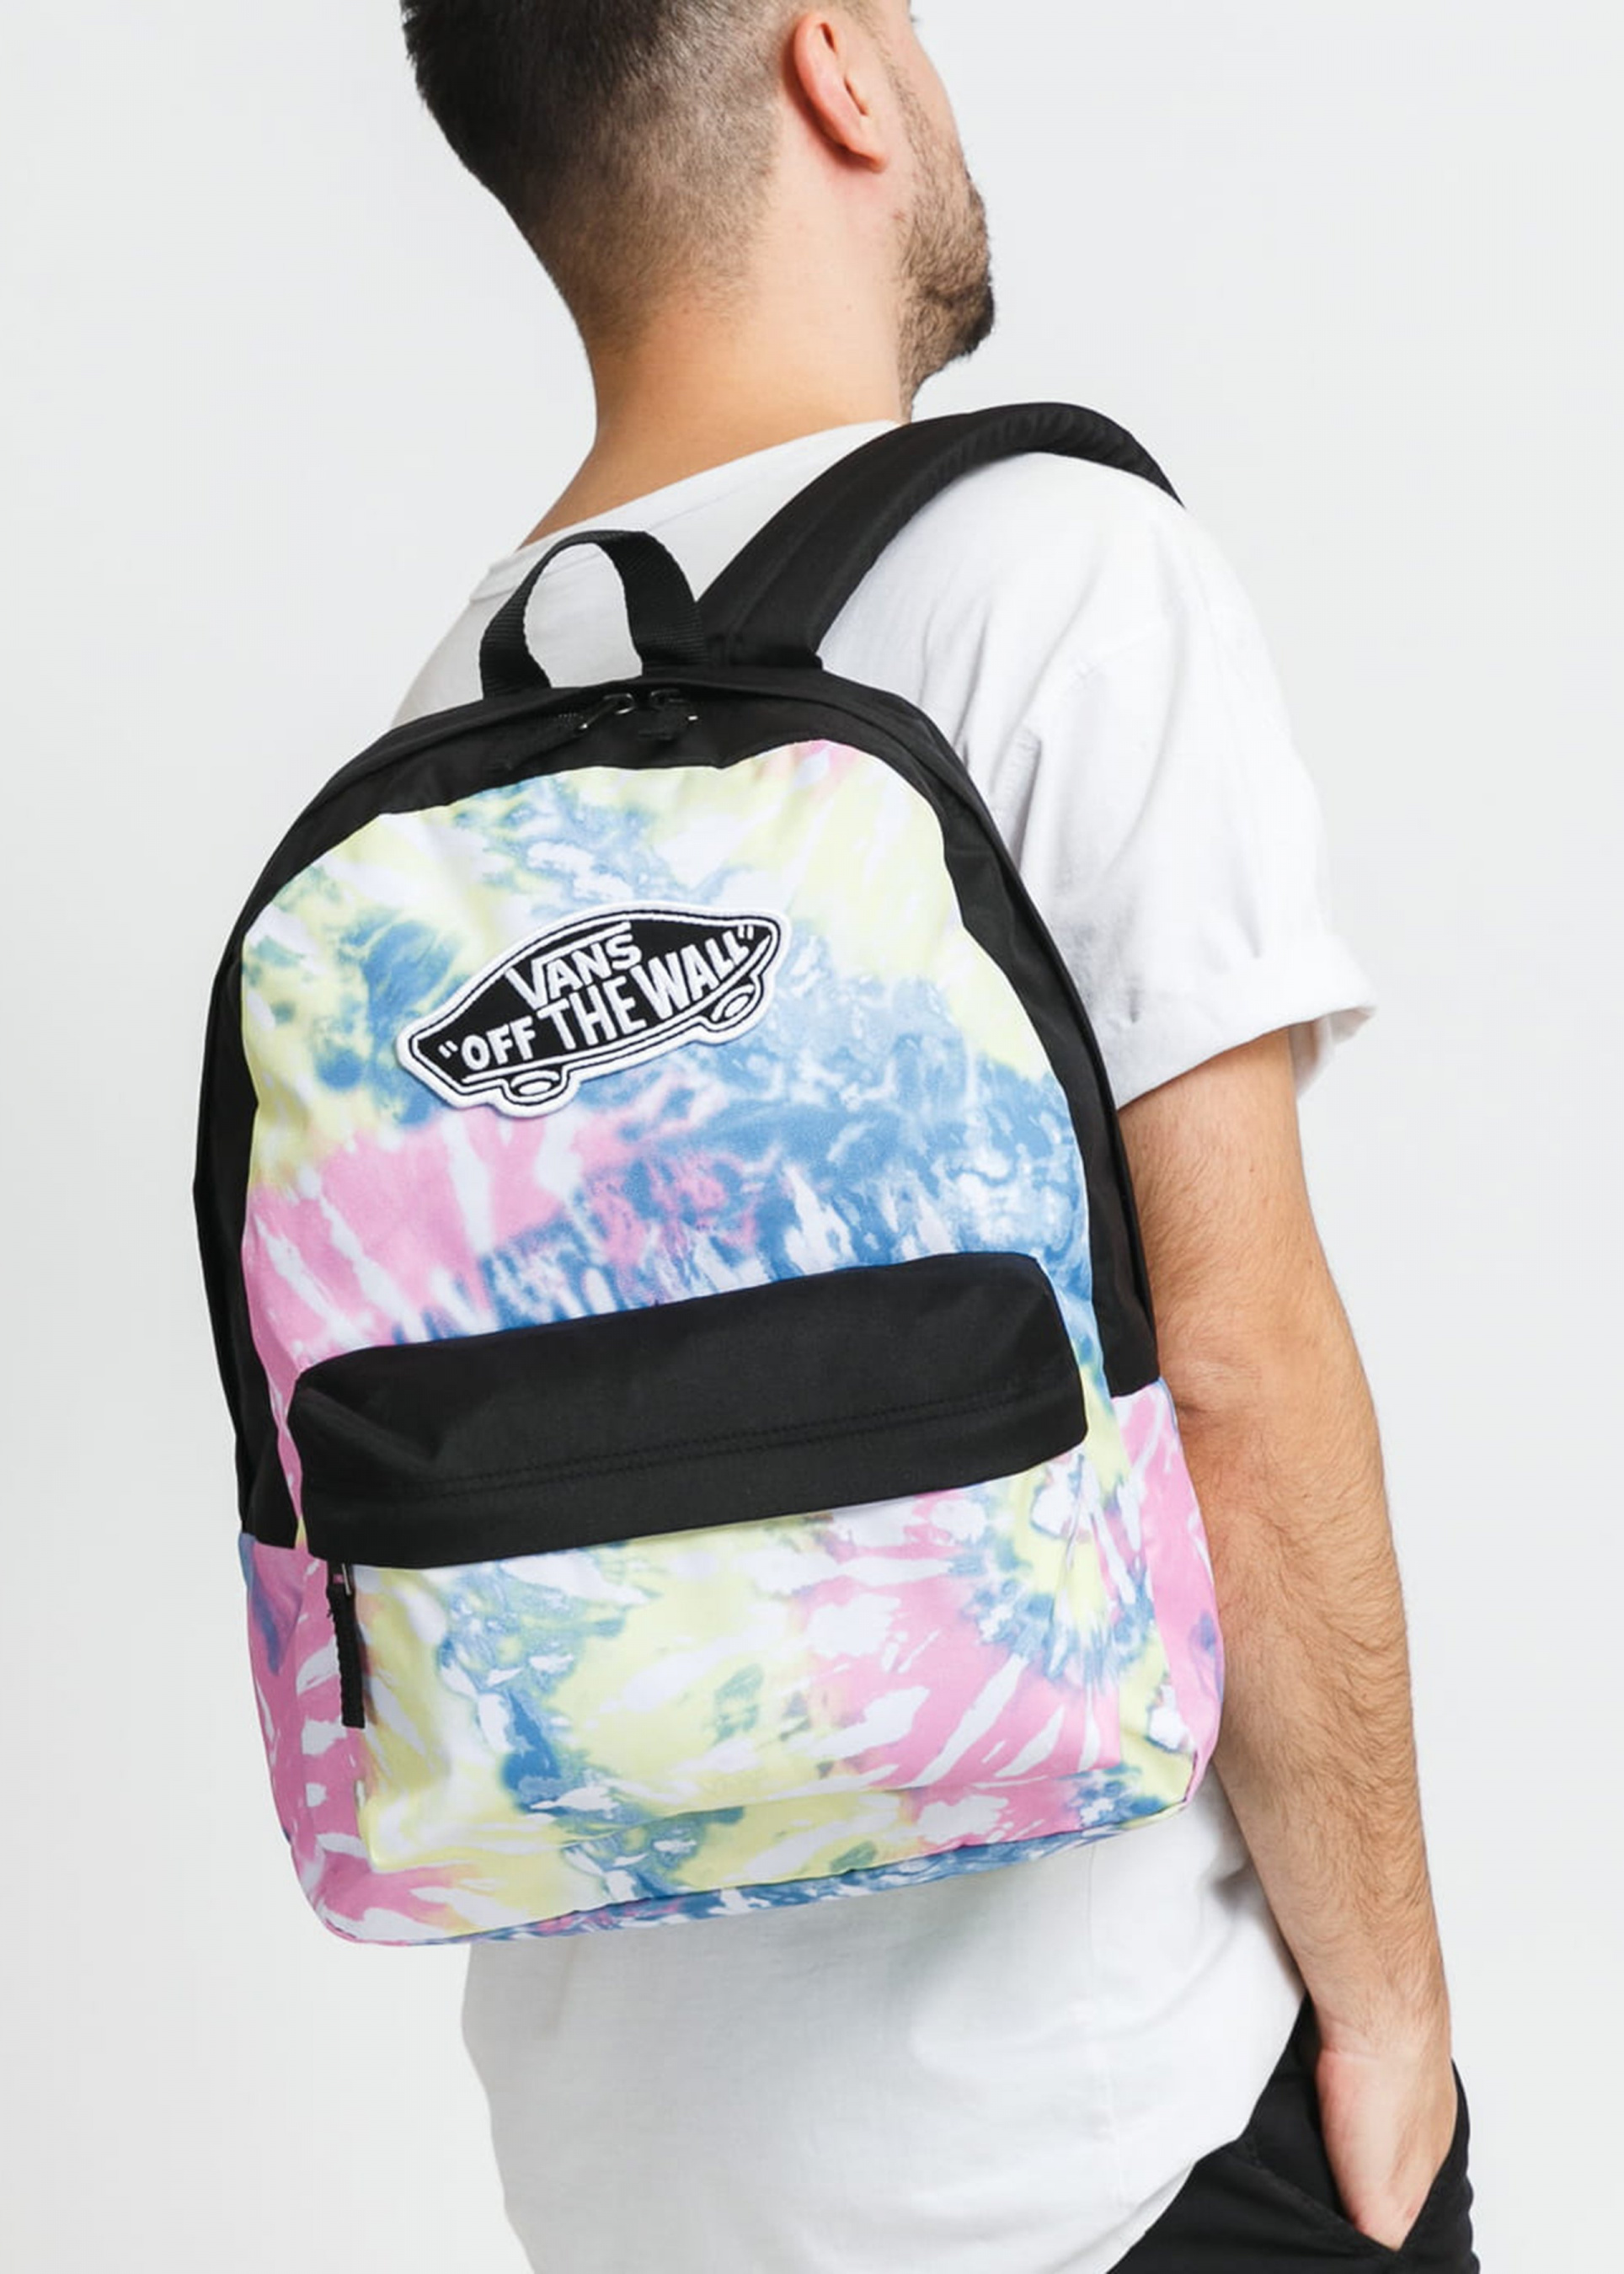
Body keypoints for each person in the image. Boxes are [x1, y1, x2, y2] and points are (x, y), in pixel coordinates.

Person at [391, 5, 1479, 2268]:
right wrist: (1393, 2015)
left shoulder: (447, 718)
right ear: (836, 70)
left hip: (636, 2185)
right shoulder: (1050, 574)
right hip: (1102, 2135)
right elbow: (1238, 1364)